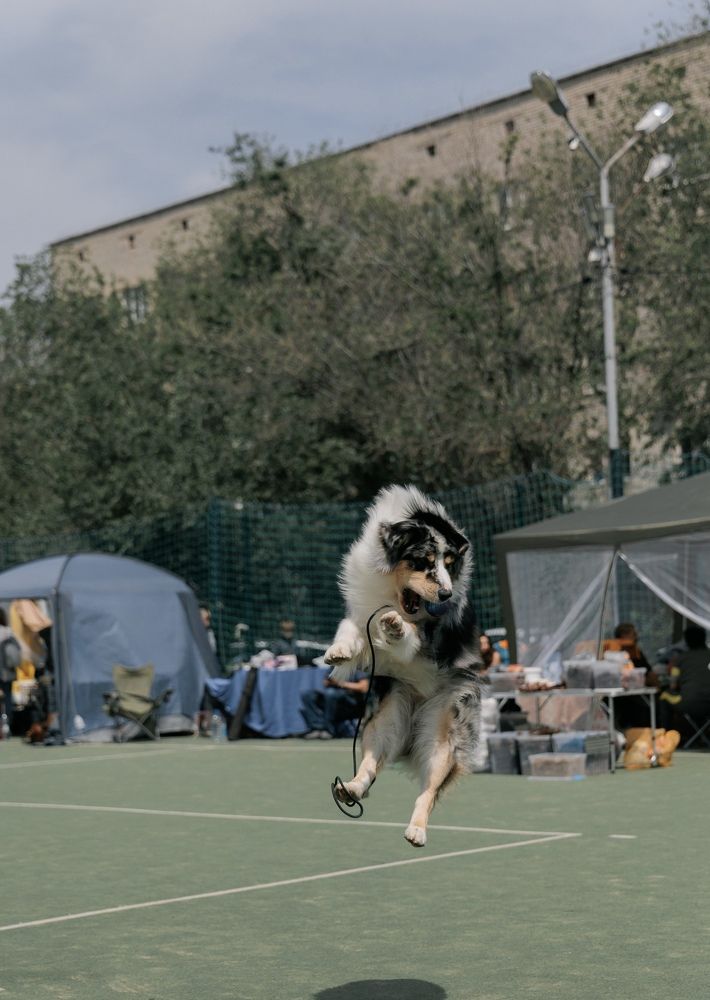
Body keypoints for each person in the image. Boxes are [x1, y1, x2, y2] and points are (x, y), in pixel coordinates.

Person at [659, 624, 710, 738]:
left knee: (664, 696)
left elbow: (673, 685)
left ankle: (667, 736)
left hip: (689, 704)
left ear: (687, 641)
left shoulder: (680, 658)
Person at [300, 672, 369, 740]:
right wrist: (330, 682)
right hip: (332, 697)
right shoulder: (334, 667)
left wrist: (340, 683)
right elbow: (325, 683)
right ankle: (317, 728)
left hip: (351, 701)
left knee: (330, 693)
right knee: (308, 695)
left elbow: (364, 687)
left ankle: (329, 730)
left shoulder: (356, 668)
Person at [0, 608, 22, 733]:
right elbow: (17, 649)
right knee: (7, 697)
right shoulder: (8, 632)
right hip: (7, 671)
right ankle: (7, 724)